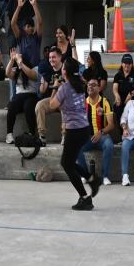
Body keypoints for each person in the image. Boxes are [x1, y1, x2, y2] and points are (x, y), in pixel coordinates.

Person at [50, 57, 101, 210]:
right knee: (69, 162)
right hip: (84, 129)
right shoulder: (79, 83)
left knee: (66, 163)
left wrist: (55, 87)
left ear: (64, 71)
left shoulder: (64, 88)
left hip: (74, 130)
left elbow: (52, 105)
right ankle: (91, 179)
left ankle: (85, 197)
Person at [77, 78, 116, 186]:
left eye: (93, 85)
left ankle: (105, 176)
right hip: (88, 137)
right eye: (89, 84)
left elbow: (111, 124)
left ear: (99, 88)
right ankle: (85, 175)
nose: (90, 86)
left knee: (109, 145)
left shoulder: (105, 102)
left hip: (102, 136)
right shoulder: (83, 103)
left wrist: (101, 132)